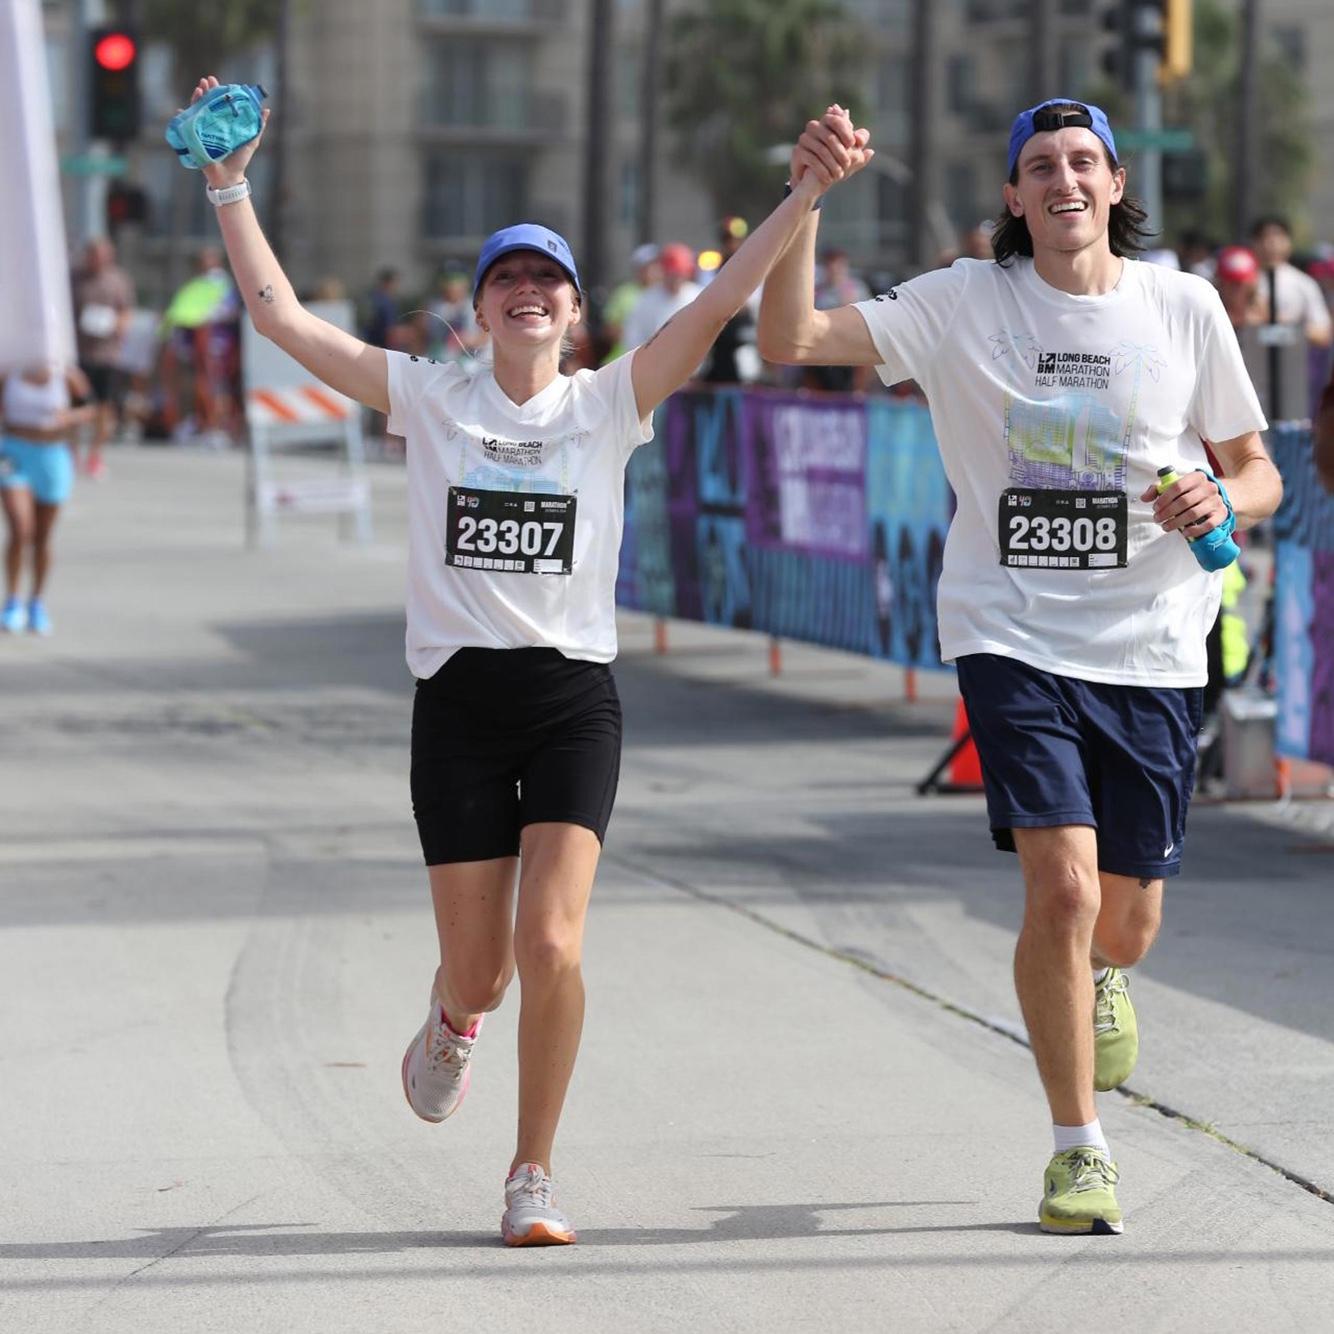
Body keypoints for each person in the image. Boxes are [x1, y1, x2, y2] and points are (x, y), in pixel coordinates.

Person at [183, 73, 869, 1247]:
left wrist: (802, 193)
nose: (528, 293)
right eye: (506, 278)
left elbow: (714, 307)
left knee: (550, 941)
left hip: (568, 701)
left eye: (547, 278)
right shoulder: (427, 396)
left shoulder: (608, 403)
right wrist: (228, 182)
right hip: (456, 704)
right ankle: (453, 1017)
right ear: (480, 307)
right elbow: (283, 321)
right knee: (484, 970)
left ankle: (530, 1172)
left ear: (573, 311)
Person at [759, 98, 1281, 1235]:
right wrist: (805, 198)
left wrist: (1218, 492)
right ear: (1011, 195)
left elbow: (1255, 472)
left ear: (1111, 186)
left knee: (1124, 922)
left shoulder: (1183, 307)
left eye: (1082, 161)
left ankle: (1100, 972)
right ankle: (1075, 1145)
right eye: (1038, 165)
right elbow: (787, 341)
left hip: (1149, 641)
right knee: (1061, 886)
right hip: (1010, 632)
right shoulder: (961, 303)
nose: (1062, 179)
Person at [1, 362, 94, 634]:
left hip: (52, 455)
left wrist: (69, 418)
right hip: (13, 453)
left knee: (42, 536)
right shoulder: (9, 370)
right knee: (20, 529)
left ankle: (36, 602)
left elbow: (91, 409)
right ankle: (12, 601)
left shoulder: (66, 374)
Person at [71, 237, 135, 478]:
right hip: (79, 353)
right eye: (93, 255)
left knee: (104, 408)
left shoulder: (118, 280)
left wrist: (113, 324)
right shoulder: (74, 278)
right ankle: (72, 453)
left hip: (107, 355)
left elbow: (127, 312)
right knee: (75, 407)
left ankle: (95, 455)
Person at [1249, 216, 1333, 348]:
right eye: (1264, 236)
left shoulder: (1304, 283)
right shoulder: (1241, 282)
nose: (1272, 242)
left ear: (1289, 242)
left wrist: (1282, 327)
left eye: (1278, 236)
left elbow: (1323, 333)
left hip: (1290, 364)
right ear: (1254, 242)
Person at [621, 242, 701, 353]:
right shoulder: (646, 299)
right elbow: (633, 336)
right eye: (672, 275)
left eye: (679, 274)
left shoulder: (698, 296)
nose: (675, 280)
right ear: (664, 273)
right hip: (655, 362)